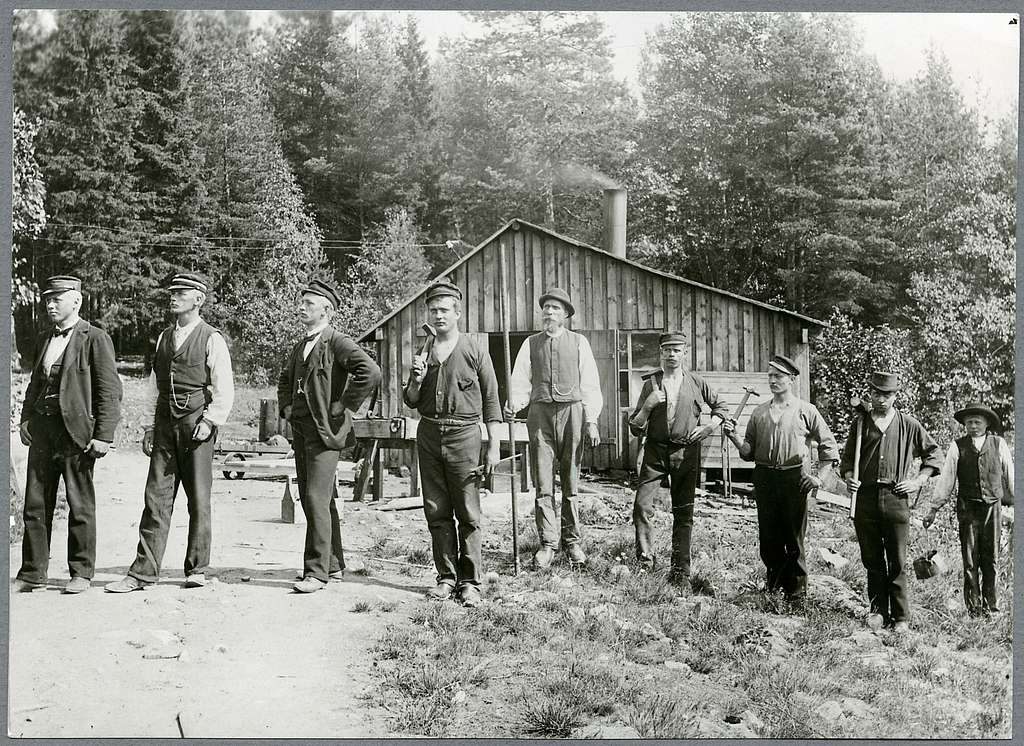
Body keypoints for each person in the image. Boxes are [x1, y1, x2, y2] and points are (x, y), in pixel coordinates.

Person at [106, 273, 235, 592]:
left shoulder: (211, 338)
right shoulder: (164, 338)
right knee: (156, 498)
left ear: (198, 300)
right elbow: (154, 386)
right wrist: (149, 426)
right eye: (172, 292)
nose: (173, 297)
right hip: (165, 426)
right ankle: (143, 572)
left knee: (199, 499)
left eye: (181, 293)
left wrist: (210, 421)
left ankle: (197, 569)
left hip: (196, 426)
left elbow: (224, 388)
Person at [15, 276, 121, 594]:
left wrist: (103, 434)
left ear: (76, 301)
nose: (49, 304)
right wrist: (24, 421)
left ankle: (81, 573)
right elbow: (36, 384)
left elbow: (109, 391)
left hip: (76, 435)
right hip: (43, 432)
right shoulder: (44, 338)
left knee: (80, 503)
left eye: (56, 299)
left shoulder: (95, 338)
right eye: (47, 299)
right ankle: (33, 572)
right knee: (35, 504)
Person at [277, 279, 381, 594]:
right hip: (302, 431)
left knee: (314, 498)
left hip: (326, 433)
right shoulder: (300, 345)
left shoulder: (337, 341)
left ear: (327, 310)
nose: (301, 307)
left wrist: (343, 404)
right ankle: (333, 565)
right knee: (318, 499)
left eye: (308, 304)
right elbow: (284, 378)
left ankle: (316, 573)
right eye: (301, 302)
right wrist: (284, 407)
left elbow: (370, 372)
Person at [403, 280, 502, 606]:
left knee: (469, 512)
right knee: (436, 511)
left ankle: (470, 582)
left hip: (464, 437)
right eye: (433, 310)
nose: (439, 315)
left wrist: (494, 446)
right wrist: (416, 379)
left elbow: (491, 400)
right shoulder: (424, 351)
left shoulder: (475, 349)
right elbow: (412, 400)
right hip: (430, 435)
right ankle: (446, 578)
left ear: (457, 313)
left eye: (445, 310)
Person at [723, 354, 838, 604]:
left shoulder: (807, 411)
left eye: (778, 377)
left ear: (792, 379)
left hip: (793, 478)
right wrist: (733, 437)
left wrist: (818, 478)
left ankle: (797, 596)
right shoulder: (760, 412)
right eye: (770, 376)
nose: (773, 381)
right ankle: (774, 589)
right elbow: (748, 453)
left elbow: (829, 449)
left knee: (794, 538)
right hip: (764, 477)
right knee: (769, 537)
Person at [839, 370, 943, 633]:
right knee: (872, 558)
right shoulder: (860, 424)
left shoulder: (908, 424)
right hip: (865, 497)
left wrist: (917, 481)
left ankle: (901, 617)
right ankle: (877, 612)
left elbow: (934, 455)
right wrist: (850, 478)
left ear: (895, 396)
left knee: (896, 559)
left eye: (886, 394)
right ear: (870, 395)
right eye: (876, 393)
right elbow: (848, 462)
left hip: (896, 498)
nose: (881, 399)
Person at [506, 288, 602, 569]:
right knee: (543, 481)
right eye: (546, 307)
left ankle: (572, 542)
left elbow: (591, 384)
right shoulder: (530, 344)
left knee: (571, 480)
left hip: (572, 411)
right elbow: (520, 381)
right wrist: (514, 404)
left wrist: (591, 420)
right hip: (540, 414)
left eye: (555, 309)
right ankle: (548, 544)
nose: (549, 312)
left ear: (566, 315)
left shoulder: (579, 343)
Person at [627, 331, 729, 583]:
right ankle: (646, 563)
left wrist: (709, 427)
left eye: (677, 350)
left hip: (686, 452)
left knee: (684, 511)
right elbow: (636, 426)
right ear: (660, 353)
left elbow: (721, 408)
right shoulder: (651, 383)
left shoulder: (696, 382)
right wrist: (649, 405)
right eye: (667, 350)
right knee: (641, 506)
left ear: (685, 353)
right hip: (655, 451)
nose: (672, 355)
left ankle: (680, 570)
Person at [923, 402, 1013, 616]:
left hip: (992, 507)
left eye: (977, 422)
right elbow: (946, 479)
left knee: (991, 558)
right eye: (969, 422)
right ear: (964, 424)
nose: (973, 426)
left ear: (986, 424)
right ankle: (973, 608)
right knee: (970, 558)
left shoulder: (998, 444)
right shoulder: (958, 446)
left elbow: (1011, 475)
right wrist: (934, 507)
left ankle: (992, 607)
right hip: (968, 508)